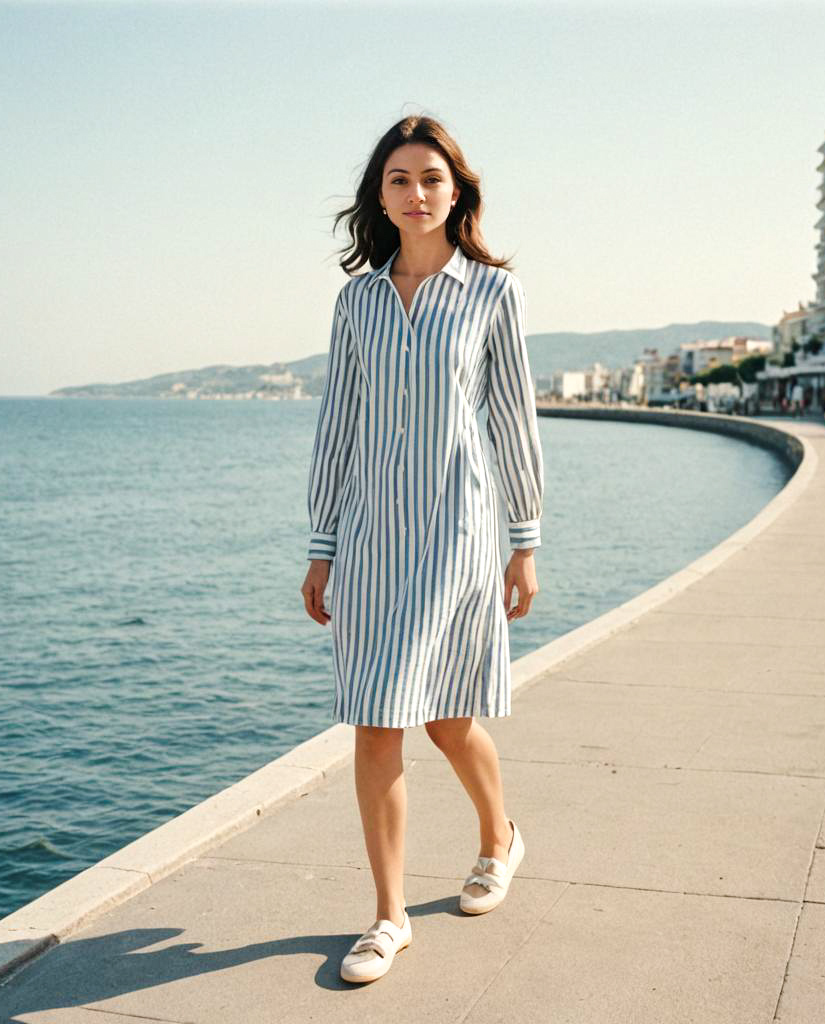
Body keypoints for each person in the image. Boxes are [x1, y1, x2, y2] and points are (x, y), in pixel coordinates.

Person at [300, 115, 544, 985]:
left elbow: (514, 420)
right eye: (399, 179)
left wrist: (525, 541)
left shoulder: (490, 294)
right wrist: (322, 543)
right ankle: (388, 916)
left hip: (457, 535)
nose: (416, 193)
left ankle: (498, 837)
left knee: (446, 717)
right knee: (375, 721)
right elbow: (339, 426)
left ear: (456, 190)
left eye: (431, 178)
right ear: (380, 194)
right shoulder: (357, 302)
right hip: (370, 538)